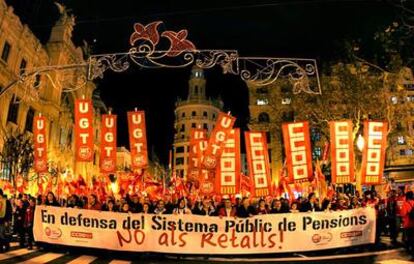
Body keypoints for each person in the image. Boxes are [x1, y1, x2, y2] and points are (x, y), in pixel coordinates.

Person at [400, 191, 414, 255]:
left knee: (408, 237)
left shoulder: (405, 203)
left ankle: (408, 248)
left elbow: (403, 213)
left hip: (408, 223)